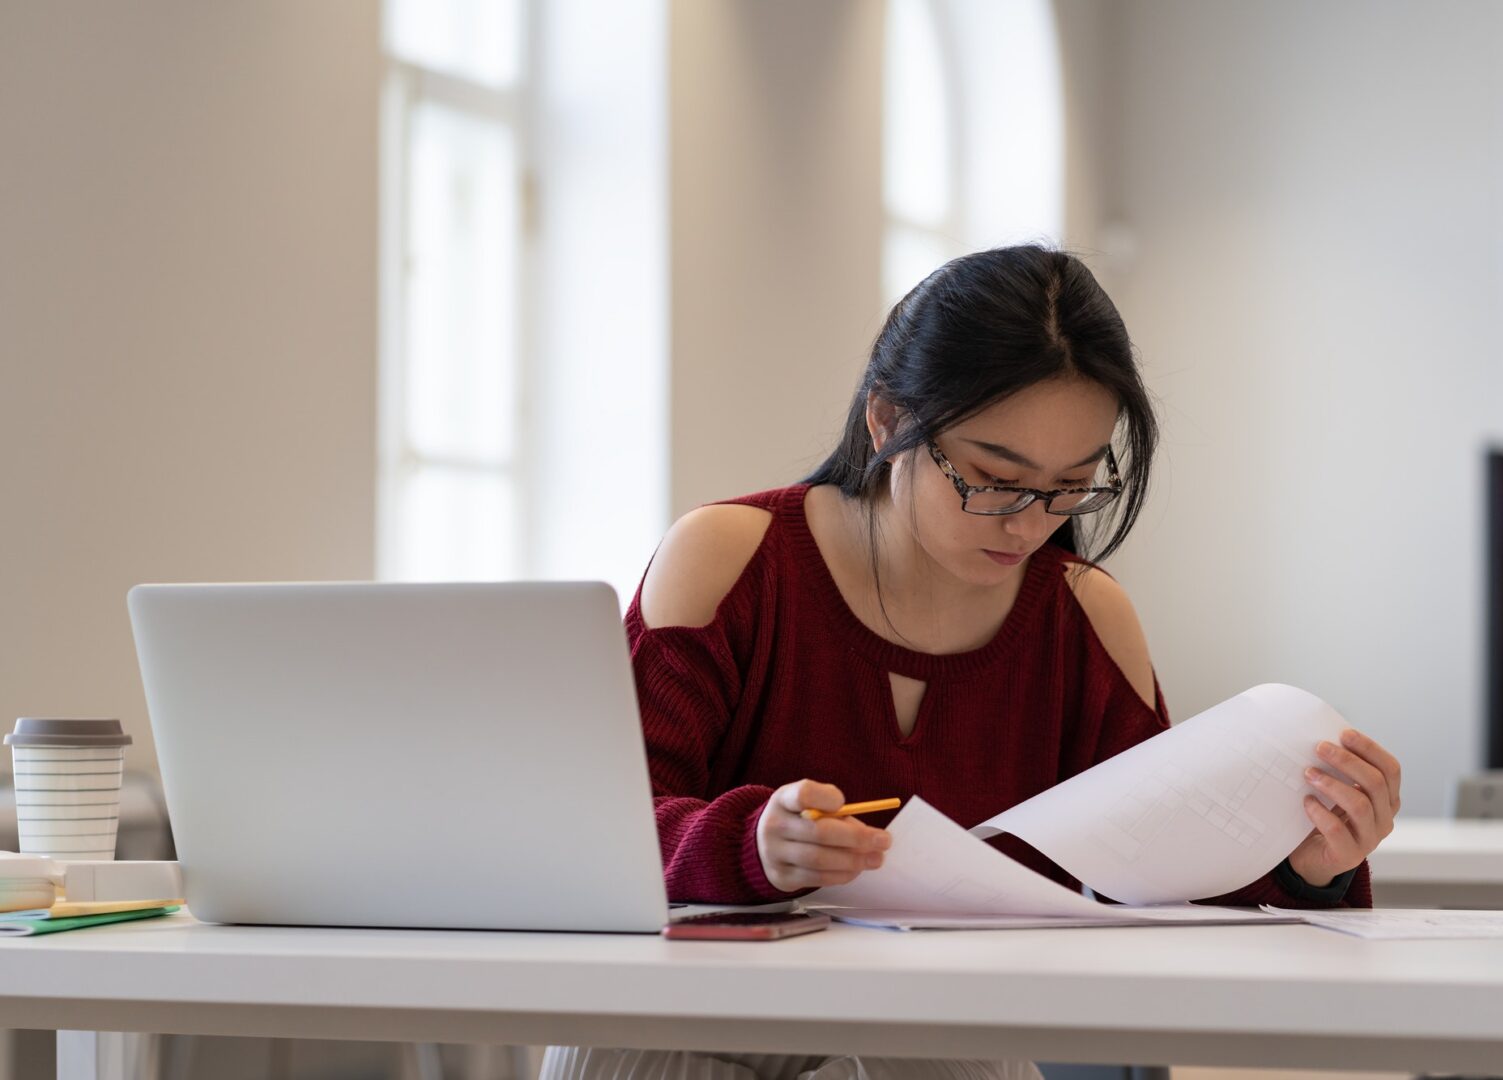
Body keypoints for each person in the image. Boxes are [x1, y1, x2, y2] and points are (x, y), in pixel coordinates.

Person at [540, 246, 1401, 1080]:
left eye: (1071, 486)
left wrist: (1309, 869)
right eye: (994, 477)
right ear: (887, 419)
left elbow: (1165, 900)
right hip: (686, 1020)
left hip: (932, 1040)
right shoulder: (731, 560)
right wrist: (749, 845)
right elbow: (597, 841)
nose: (1030, 525)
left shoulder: (1084, 619)